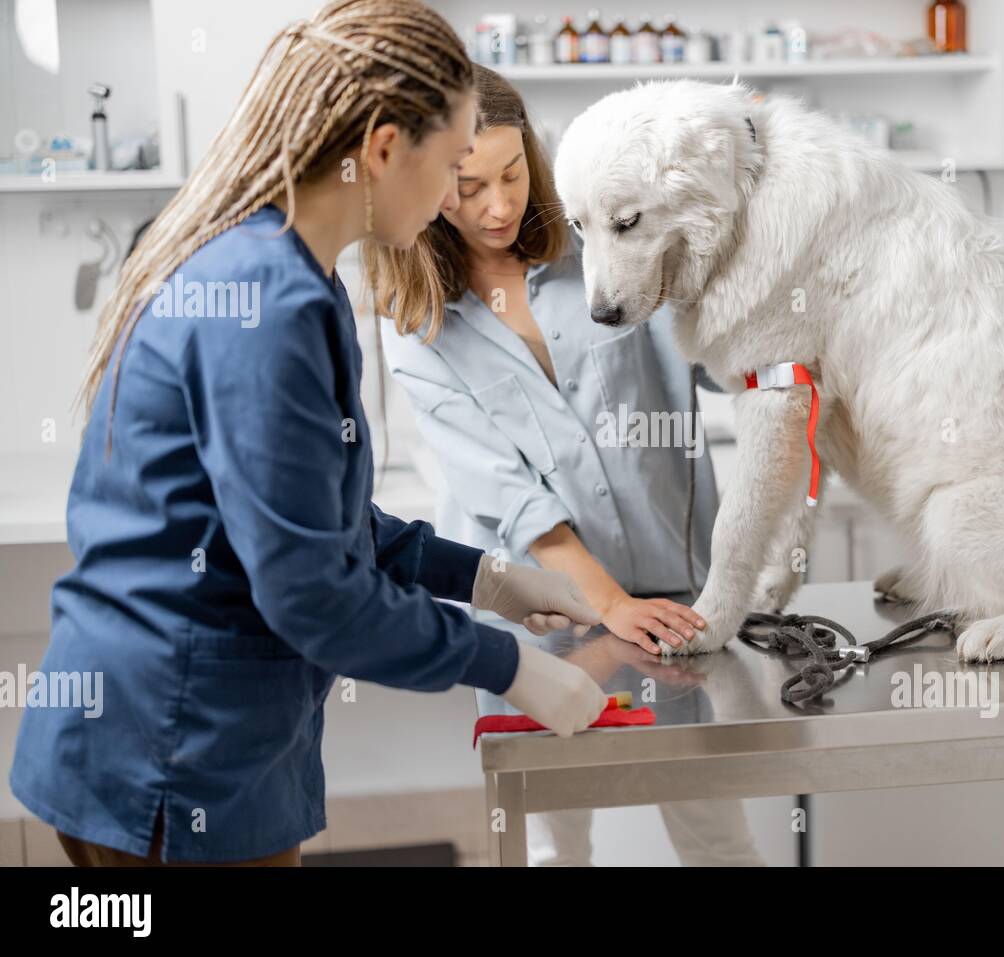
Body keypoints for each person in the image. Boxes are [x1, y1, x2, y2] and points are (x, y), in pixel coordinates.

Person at [9, 0, 606, 867]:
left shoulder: (299, 275)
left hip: (208, 743)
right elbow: (312, 592)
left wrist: (485, 576)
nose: (452, 199)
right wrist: (508, 665)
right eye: (449, 166)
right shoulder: (265, 298)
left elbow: (319, 518)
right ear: (384, 146)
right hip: (168, 757)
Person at [376, 66, 765, 866]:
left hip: (673, 594)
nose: (497, 205)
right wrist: (608, 602)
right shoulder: (414, 323)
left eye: (513, 174)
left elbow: (723, 355)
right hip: (536, 612)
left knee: (714, 830)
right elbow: (505, 493)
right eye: (468, 184)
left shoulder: (609, 242)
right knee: (552, 840)